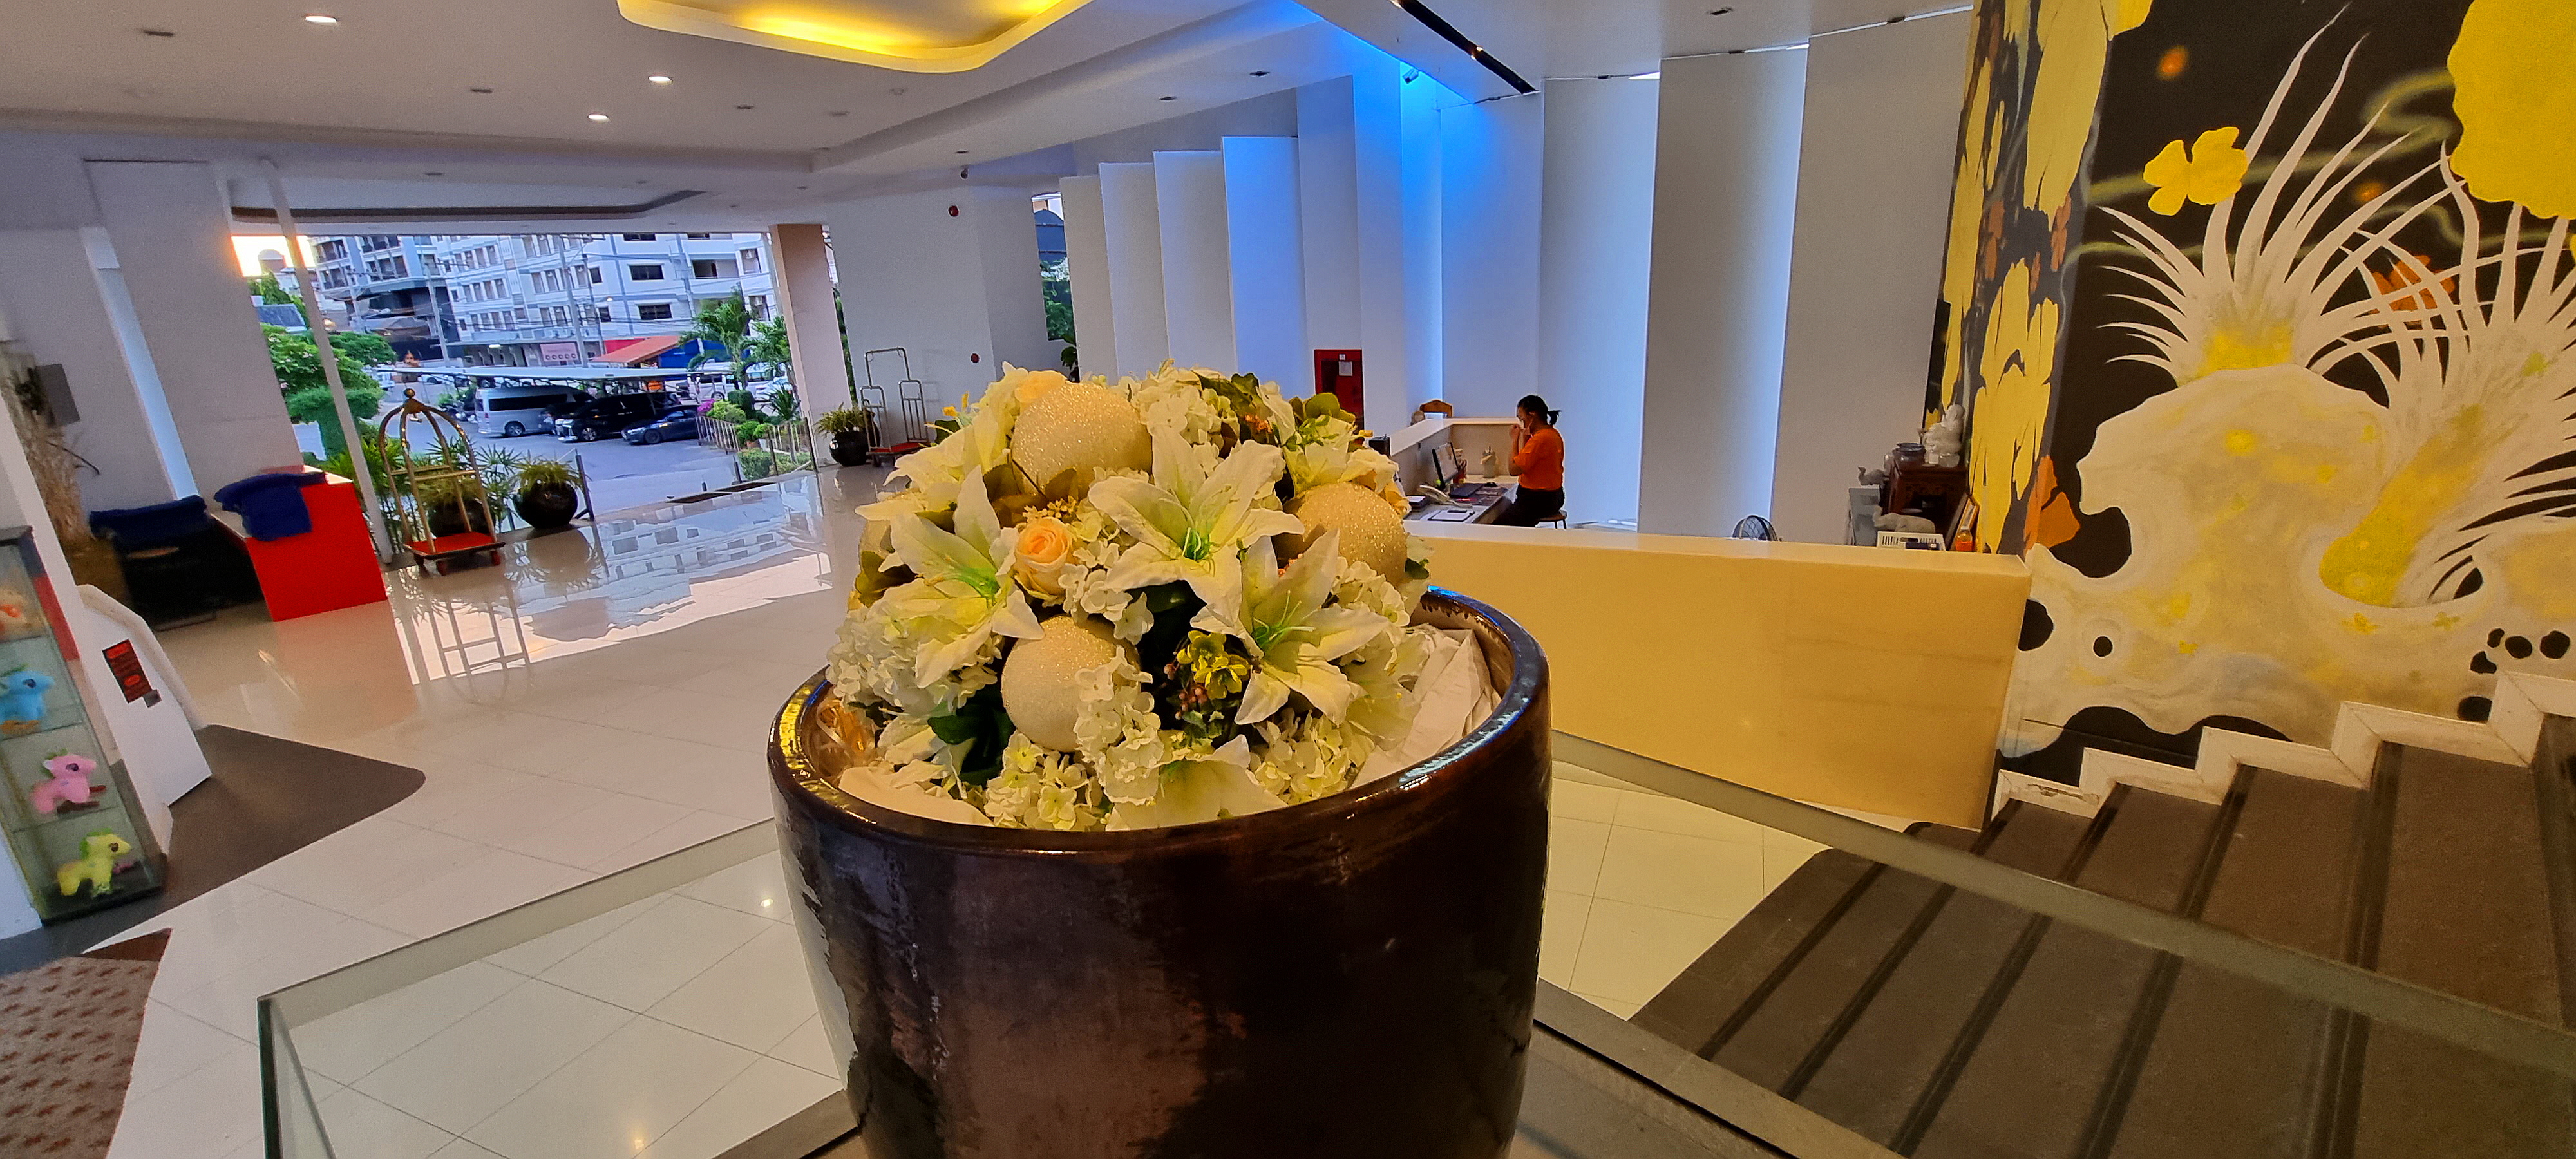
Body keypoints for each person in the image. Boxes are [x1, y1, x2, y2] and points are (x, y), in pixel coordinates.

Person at [1495, 394, 1564, 527]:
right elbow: (1526, 461)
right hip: (1555, 497)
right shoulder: (1553, 434)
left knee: (1497, 526)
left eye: (1522, 419)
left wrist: (1514, 440)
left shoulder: (1540, 440)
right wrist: (1525, 438)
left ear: (1531, 416)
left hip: (1536, 500)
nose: (1521, 423)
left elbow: (1514, 469)